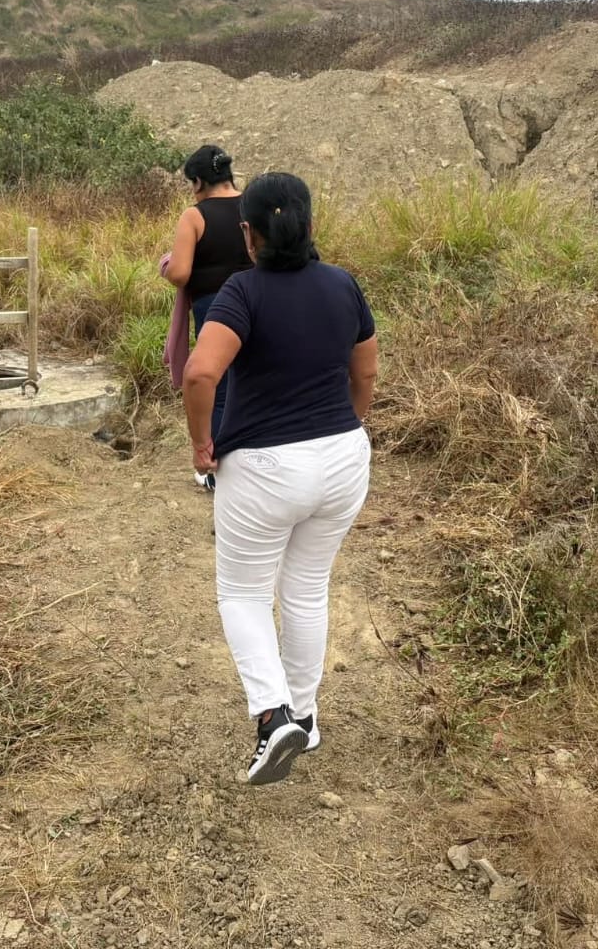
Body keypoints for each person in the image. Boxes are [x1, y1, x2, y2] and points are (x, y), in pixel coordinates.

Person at [182, 172, 380, 784]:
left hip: (266, 469)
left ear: (249, 234)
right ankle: (306, 715)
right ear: (311, 225)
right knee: (307, 588)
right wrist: (344, 427)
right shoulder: (343, 284)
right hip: (344, 460)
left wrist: (200, 444)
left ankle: (273, 719)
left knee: (243, 593)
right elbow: (366, 375)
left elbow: (199, 374)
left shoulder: (243, 292)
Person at [162, 145, 253, 489]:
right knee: (252, 382)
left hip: (215, 308)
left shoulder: (195, 216)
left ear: (198, 181)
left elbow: (180, 273)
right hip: (257, 303)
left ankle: (218, 473)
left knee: (218, 388)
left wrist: (166, 264)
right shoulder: (253, 204)